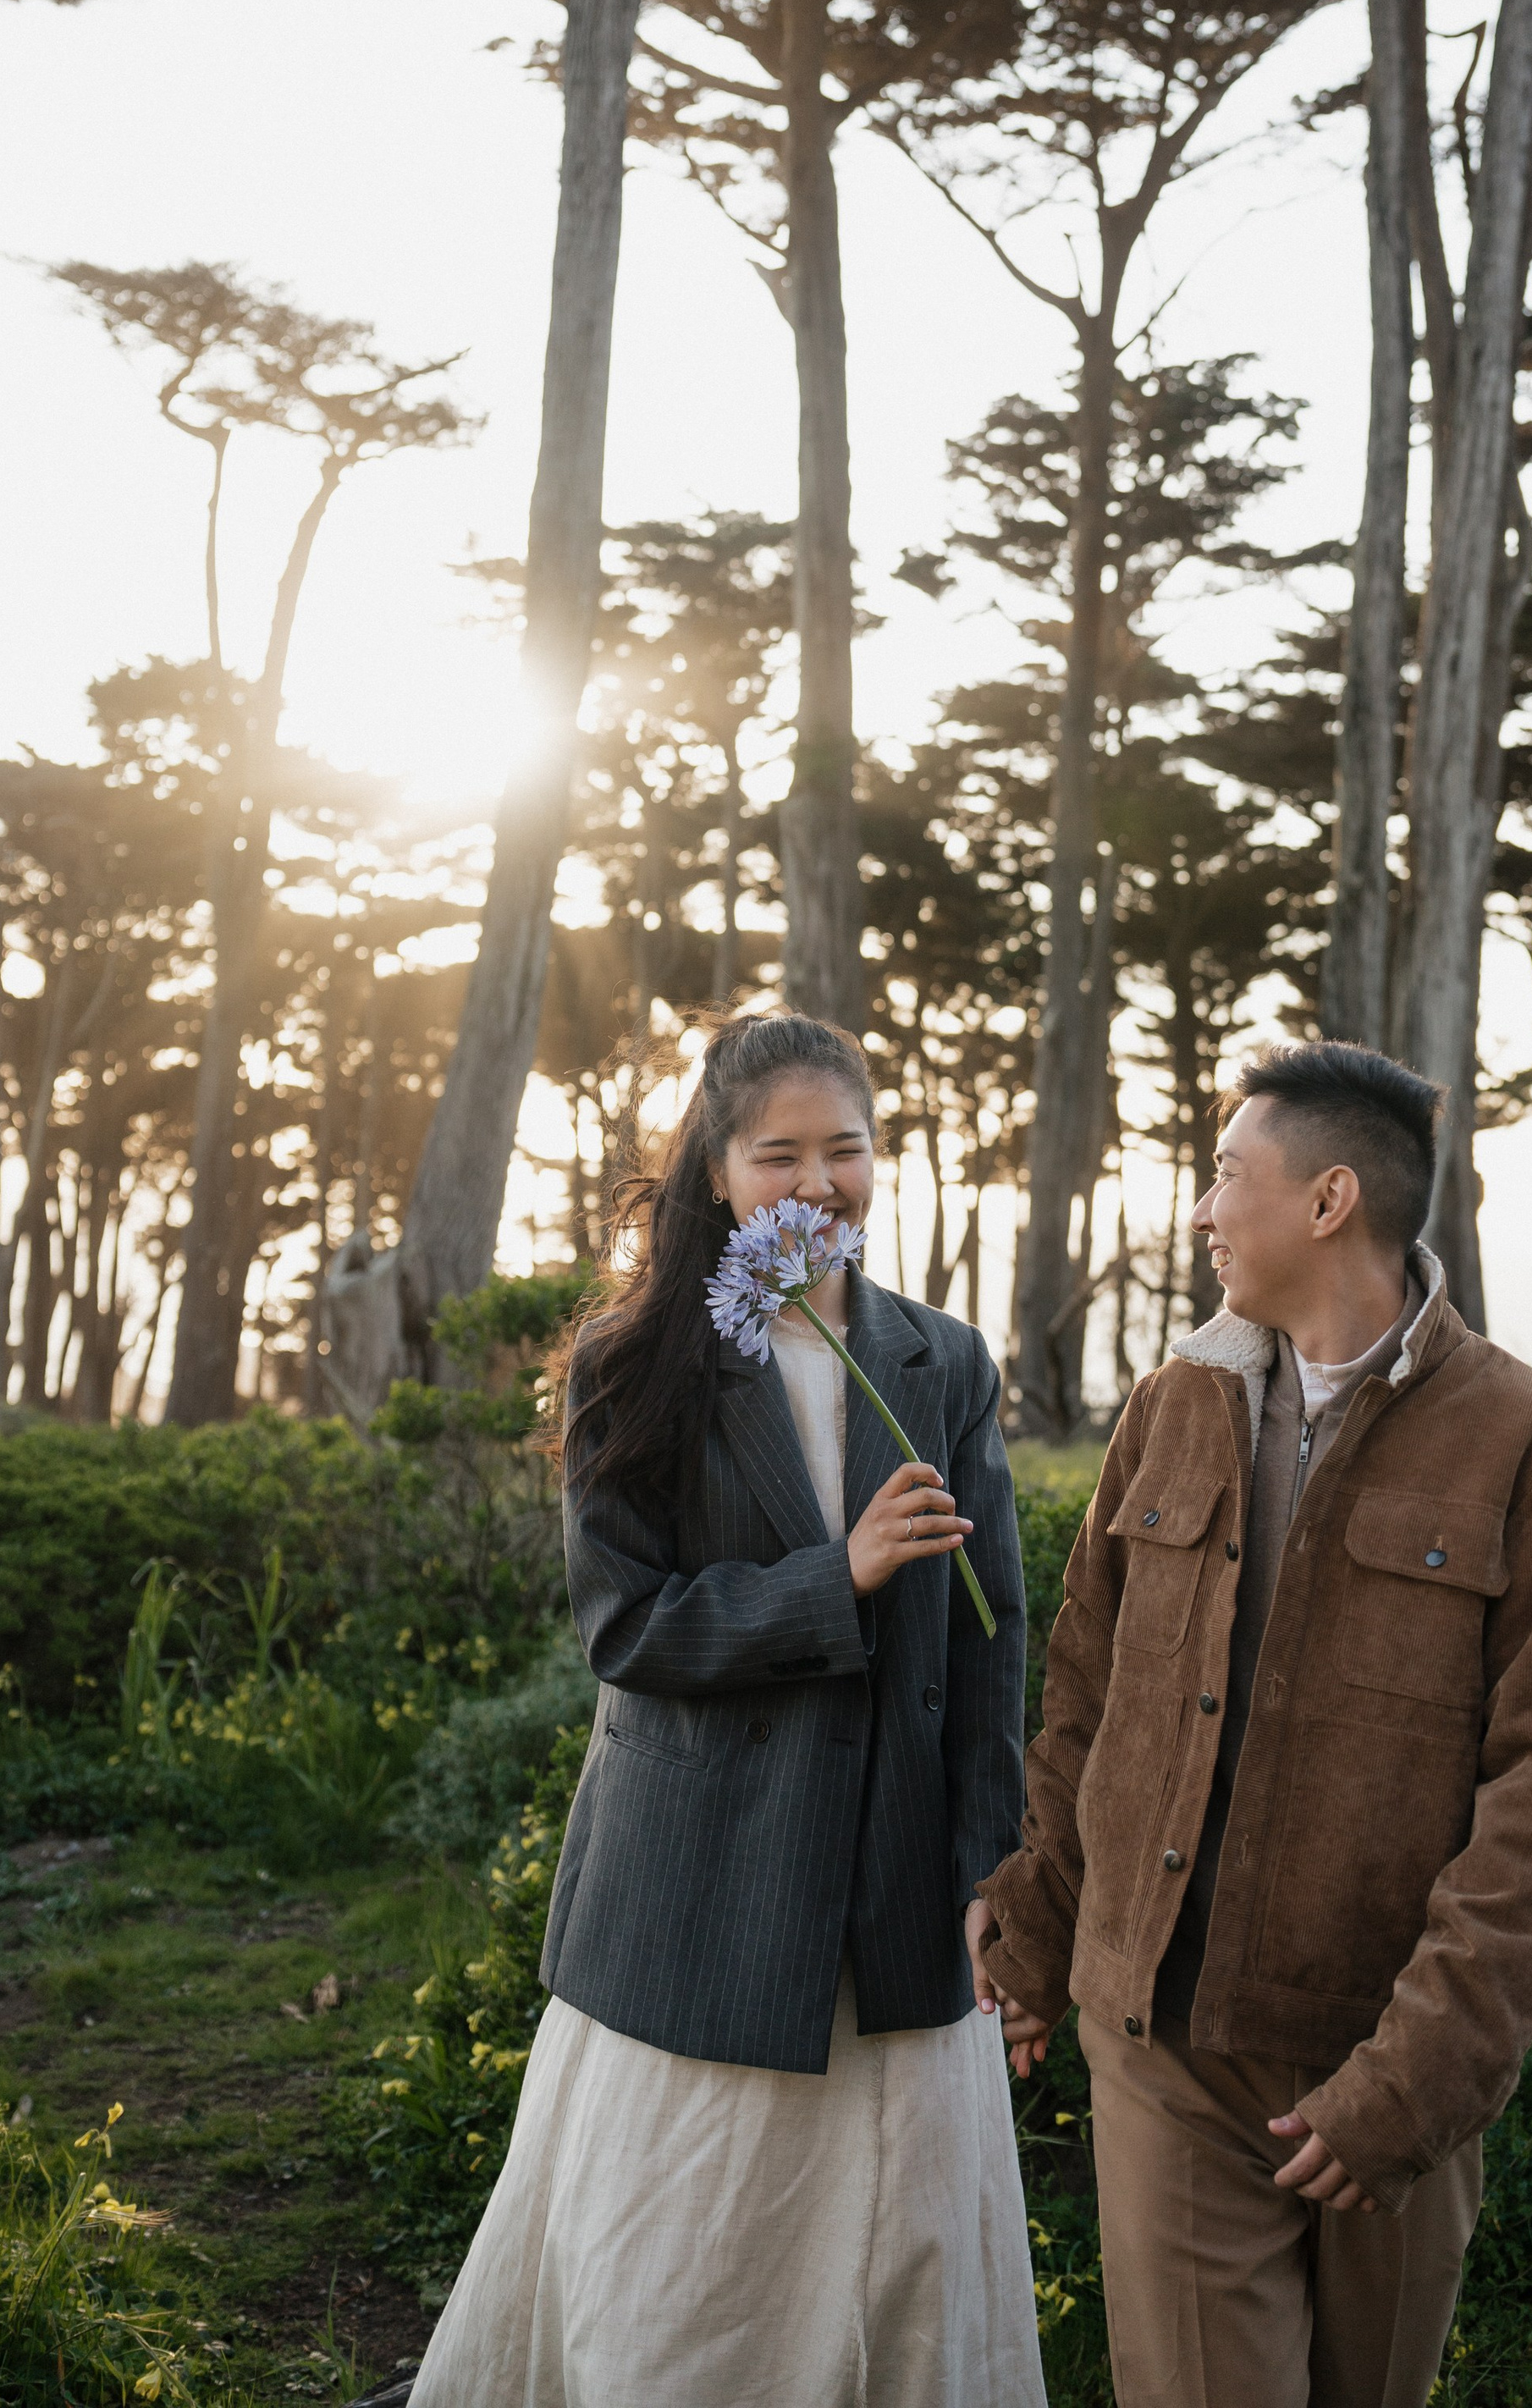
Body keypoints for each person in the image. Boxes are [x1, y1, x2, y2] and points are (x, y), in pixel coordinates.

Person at [971, 1039, 1532, 2408]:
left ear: (1329, 1202)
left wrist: (1415, 2078)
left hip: (1389, 2051)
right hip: (1165, 2044)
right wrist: (1036, 1931)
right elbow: (1089, 1705)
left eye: (1225, 1177)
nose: (1203, 1211)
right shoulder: (1169, 1406)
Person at [410, 1011, 1044, 2408]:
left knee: (909, 2265)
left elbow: (994, 1653)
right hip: (707, 1892)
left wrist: (994, 1865)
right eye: (780, 1156)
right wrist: (840, 1580)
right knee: (690, 2276)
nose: (819, 1187)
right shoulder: (633, 1363)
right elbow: (627, 1628)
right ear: (715, 1174)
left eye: (849, 1150)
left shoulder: (943, 1361)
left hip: (897, 1889)